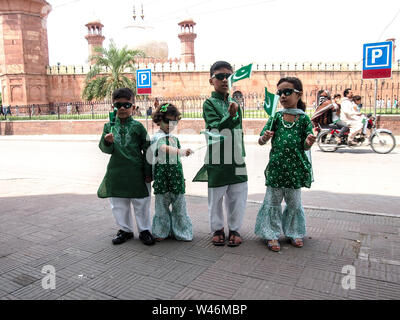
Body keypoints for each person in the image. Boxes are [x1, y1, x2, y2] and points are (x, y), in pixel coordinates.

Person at [255, 77, 316, 252]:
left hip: (295, 169)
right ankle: (271, 234)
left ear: (299, 95)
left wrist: (309, 141)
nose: (282, 96)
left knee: (294, 203)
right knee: (272, 202)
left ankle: (295, 232)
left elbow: (305, 145)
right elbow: (260, 140)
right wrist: (265, 137)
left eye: (287, 92)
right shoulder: (276, 117)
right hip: (276, 168)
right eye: (279, 92)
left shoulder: (304, 119)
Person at [193, 61, 248, 247]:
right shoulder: (209, 103)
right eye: (220, 76)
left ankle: (234, 229)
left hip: (236, 156)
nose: (225, 80)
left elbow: (239, 130)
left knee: (238, 195)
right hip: (217, 156)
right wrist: (229, 116)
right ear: (211, 80)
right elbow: (214, 128)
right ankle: (217, 229)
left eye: (228, 76)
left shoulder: (235, 103)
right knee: (216, 196)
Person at [97, 87, 156, 246]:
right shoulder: (108, 127)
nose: (122, 108)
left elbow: (148, 149)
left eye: (126, 105)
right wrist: (107, 142)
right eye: (118, 105)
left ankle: (144, 230)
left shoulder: (138, 127)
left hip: (137, 172)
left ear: (134, 107)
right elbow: (105, 149)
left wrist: (148, 171)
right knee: (118, 203)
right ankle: (125, 230)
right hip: (117, 172)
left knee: (141, 202)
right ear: (112, 107)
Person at [150, 103, 194, 242]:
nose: (170, 125)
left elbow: (177, 159)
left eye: (173, 122)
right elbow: (163, 148)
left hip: (176, 178)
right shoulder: (158, 137)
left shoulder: (175, 139)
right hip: (162, 178)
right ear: (159, 120)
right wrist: (180, 151)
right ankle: (161, 232)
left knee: (179, 207)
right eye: (167, 121)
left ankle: (181, 231)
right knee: (161, 207)